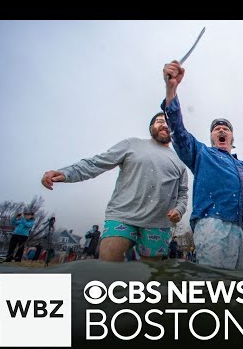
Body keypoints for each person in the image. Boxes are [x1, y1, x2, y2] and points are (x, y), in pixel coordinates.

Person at [40, 112, 189, 262]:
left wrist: (179, 210)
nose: (165, 125)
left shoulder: (180, 161)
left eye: (169, 123)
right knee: (108, 265)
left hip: (158, 224)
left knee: (149, 276)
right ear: (151, 128)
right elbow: (96, 163)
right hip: (123, 216)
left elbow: (183, 193)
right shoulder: (132, 144)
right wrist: (67, 173)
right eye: (160, 121)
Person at [162, 60, 243, 269]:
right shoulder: (202, 153)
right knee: (215, 280)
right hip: (211, 222)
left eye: (226, 128)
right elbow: (178, 131)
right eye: (217, 129)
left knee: (238, 283)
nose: (221, 130)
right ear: (212, 136)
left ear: (232, 137)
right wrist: (171, 91)